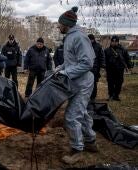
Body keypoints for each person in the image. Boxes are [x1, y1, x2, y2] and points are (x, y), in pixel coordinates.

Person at [57, 7, 98, 164]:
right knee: (82, 113)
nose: (58, 27)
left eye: (60, 24)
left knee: (72, 116)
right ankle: (91, 141)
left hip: (83, 83)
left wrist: (66, 73)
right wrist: (59, 69)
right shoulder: (69, 37)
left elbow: (87, 63)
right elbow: (71, 62)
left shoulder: (79, 37)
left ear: (66, 24)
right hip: (75, 82)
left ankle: (77, 150)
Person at [104, 35, 132, 101]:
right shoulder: (107, 50)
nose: (114, 42)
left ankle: (116, 96)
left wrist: (129, 66)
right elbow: (105, 60)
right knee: (110, 83)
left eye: (115, 41)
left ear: (118, 42)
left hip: (119, 69)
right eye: (112, 41)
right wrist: (104, 68)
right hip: (110, 69)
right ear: (111, 42)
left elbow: (127, 58)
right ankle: (111, 95)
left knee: (119, 83)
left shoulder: (123, 49)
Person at [88, 34, 105, 101]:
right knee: (87, 83)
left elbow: (102, 56)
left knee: (94, 83)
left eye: (90, 40)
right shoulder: (85, 46)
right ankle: (88, 96)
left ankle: (93, 97)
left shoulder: (98, 46)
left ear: (93, 39)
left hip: (95, 68)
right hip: (87, 68)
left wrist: (103, 65)